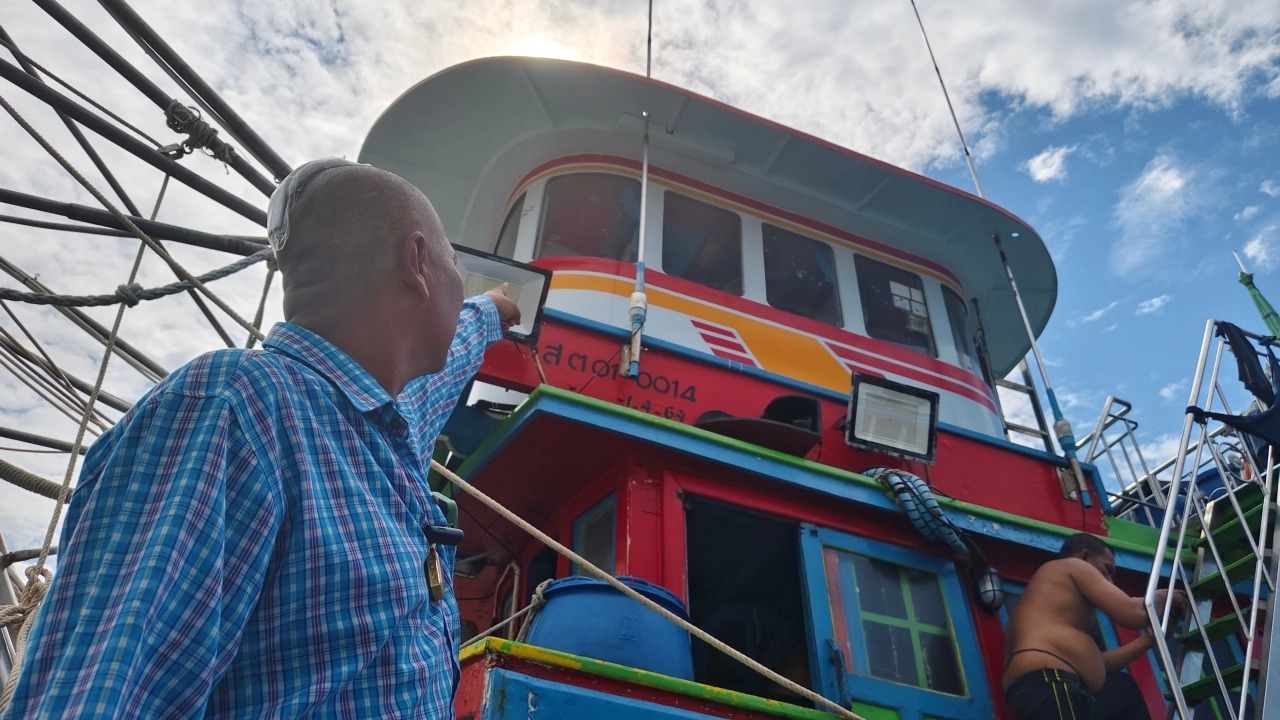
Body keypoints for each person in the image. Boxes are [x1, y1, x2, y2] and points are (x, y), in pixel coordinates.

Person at [0, 158, 520, 719]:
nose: (460, 281)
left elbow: (439, 370)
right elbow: (101, 697)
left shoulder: (377, 434)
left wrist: (491, 312)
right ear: (417, 262)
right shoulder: (232, 408)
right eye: (454, 262)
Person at [1003, 533, 1188, 720]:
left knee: (1122, 688)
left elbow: (1099, 662)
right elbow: (1131, 612)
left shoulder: (1051, 612)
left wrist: (1147, 640)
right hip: (1050, 681)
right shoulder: (1073, 566)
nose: (1109, 581)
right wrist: (1164, 596)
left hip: (1049, 684)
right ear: (1084, 557)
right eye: (1107, 569)